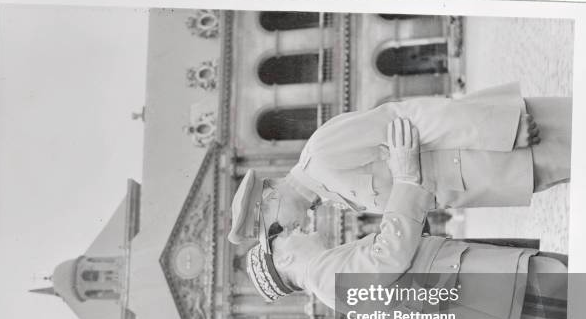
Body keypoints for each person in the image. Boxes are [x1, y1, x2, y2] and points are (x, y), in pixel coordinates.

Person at [240, 119, 568, 319]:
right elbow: (391, 256)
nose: (293, 230)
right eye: (282, 238)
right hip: (494, 293)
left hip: (489, 295)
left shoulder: (327, 276)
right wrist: (407, 178)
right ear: (283, 261)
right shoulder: (325, 278)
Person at [227, 83, 571, 247]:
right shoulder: (327, 192)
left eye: (274, 228)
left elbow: (412, 118)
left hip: (507, 147)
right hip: (499, 175)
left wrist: (504, 128)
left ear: (269, 198)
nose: (285, 233)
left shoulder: (321, 155)